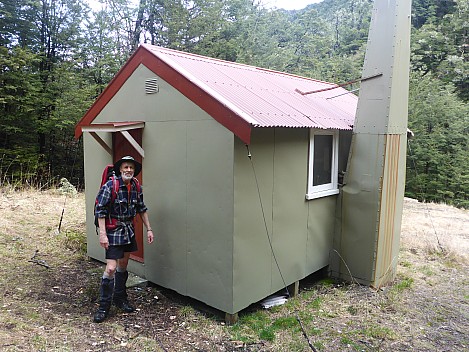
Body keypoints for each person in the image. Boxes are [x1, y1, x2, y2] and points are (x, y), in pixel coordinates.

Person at [93, 155, 154, 323]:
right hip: (113, 231)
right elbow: (101, 211)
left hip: (128, 230)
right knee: (111, 268)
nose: (129, 170)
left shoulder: (135, 186)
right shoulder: (110, 185)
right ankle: (103, 306)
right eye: (126, 167)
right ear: (120, 169)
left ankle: (120, 298)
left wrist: (149, 229)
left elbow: (142, 208)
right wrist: (103, 234)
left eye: (131, 168)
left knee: (123, 265)